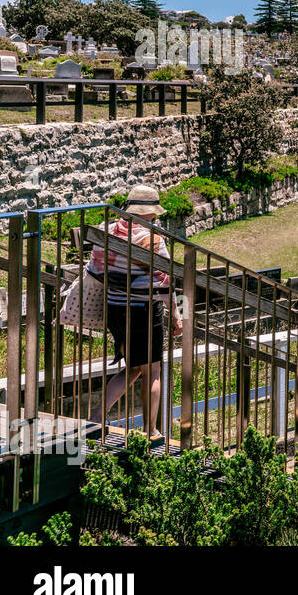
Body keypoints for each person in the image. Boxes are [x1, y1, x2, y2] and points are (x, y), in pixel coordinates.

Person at [86, 185, 182, 436]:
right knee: (152, 370)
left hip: (115, 308)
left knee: (133, 368)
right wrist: (176, 315)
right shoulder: (154, 239)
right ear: (150, 212)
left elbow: (94, 270)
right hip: (142, 310)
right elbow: (166, 281)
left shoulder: (107, 231)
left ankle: (96, 417)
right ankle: (151, 430)